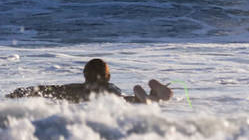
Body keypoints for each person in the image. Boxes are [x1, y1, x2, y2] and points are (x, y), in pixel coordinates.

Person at [6, 58, 173, 104]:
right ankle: (151, 93)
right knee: (130, 99)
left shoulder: (76, 88)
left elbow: (44, 90)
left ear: (85, 75)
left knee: (134, 101)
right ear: (108, 76)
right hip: (118, 99)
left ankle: (148, 98)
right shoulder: (109, 87)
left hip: (95, 101)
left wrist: (20, 92)